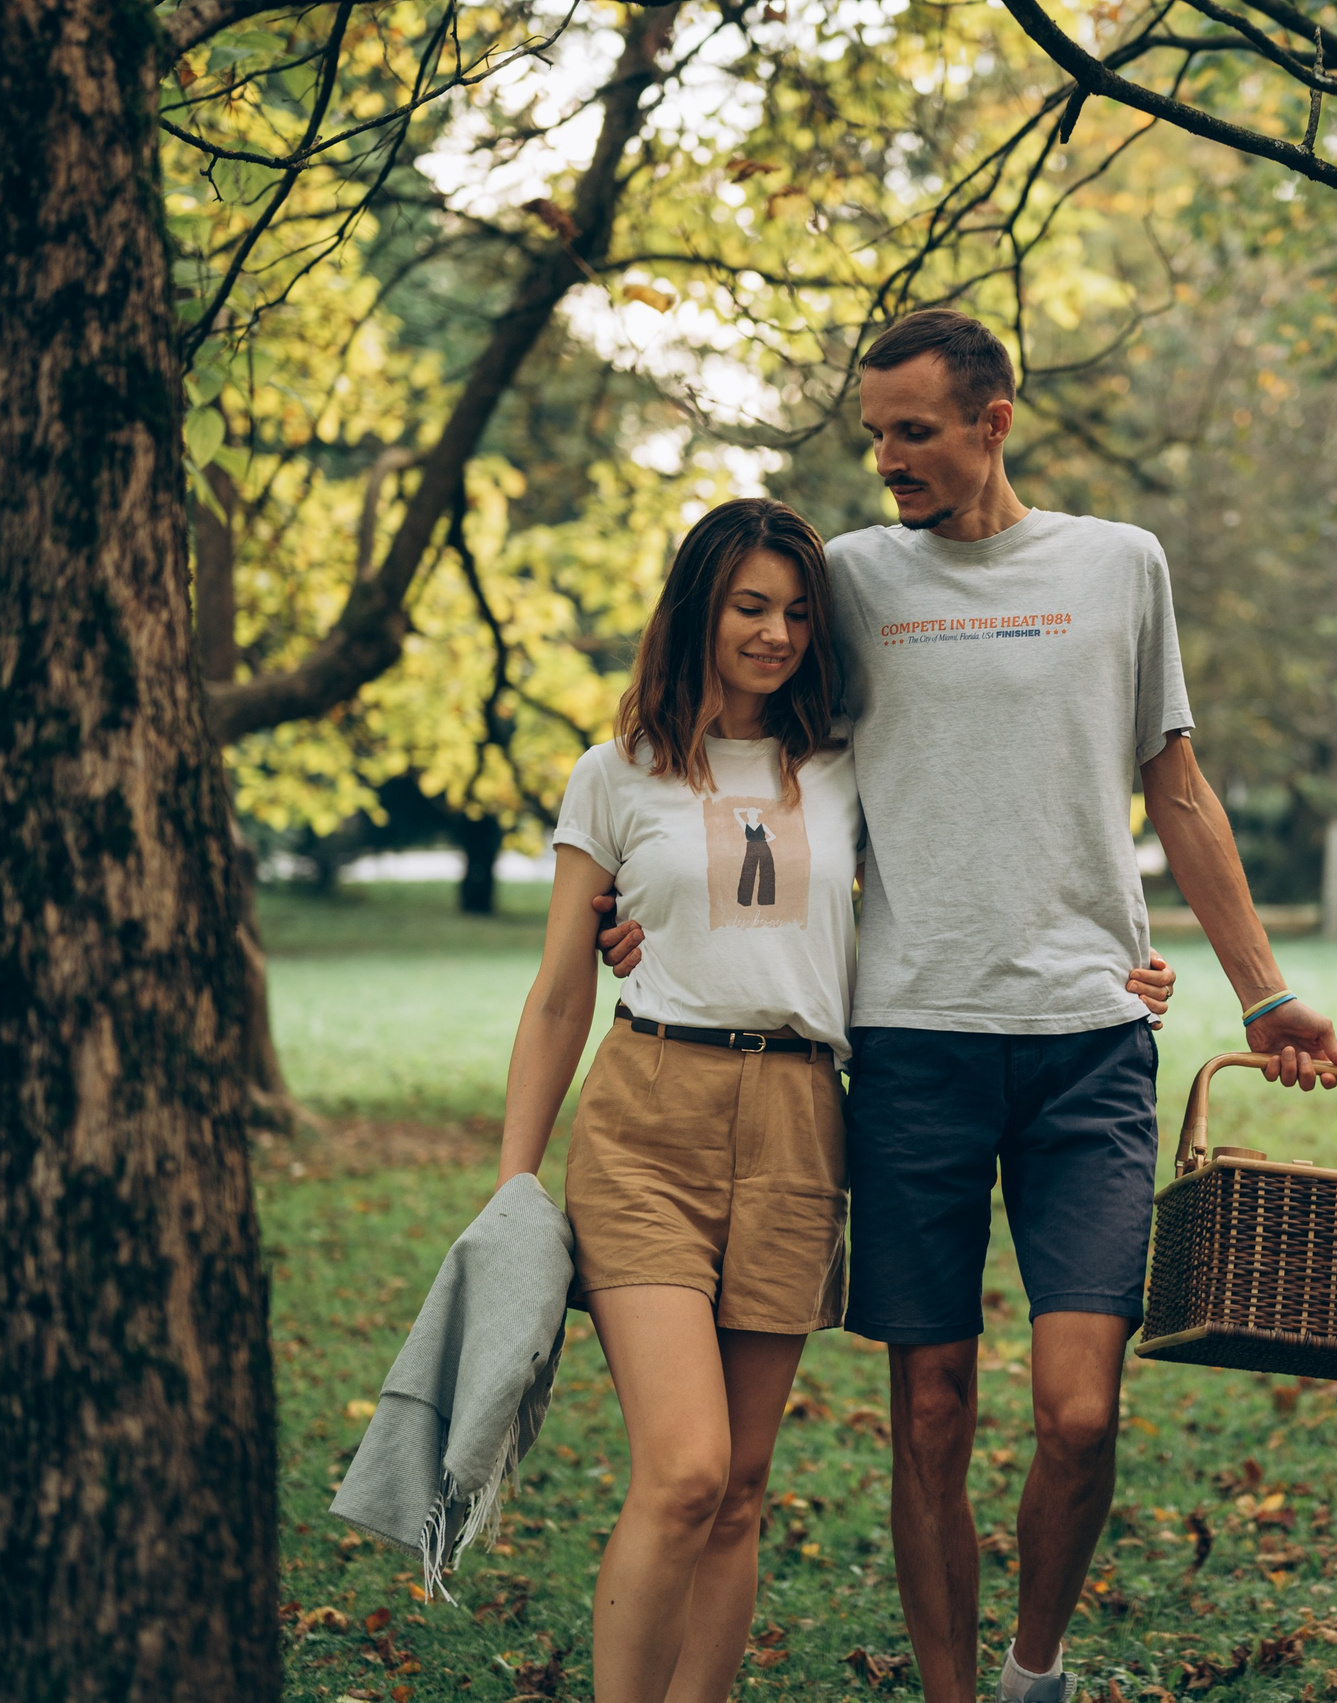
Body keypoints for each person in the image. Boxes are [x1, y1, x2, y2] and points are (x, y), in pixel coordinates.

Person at [599, 310, 1337, 1703]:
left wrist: (1269, 992)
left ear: (993, 419)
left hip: (1087, 1043)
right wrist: (636, 891)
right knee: (932, 1406)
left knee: (1077, 1406)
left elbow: (1175, 787)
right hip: (909, 1046)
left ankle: (1034, 1668)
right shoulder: (856, 579)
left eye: (915, 432)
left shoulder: (1121, 565)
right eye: (874, 433)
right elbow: (754, 736)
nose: (887, 459)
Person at [499, 495, 1176, 1703]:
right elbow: (559, 993)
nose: (775, 634)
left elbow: (981, 842)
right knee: (685, 1470)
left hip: (802, 1119)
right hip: (650, 1111)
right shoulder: (614, 776)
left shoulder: (843, 766)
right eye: (749, 607)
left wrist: (1107, 953)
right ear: (696, 609)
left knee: (744, 1483)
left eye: (800, 614)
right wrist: (512, 1179)